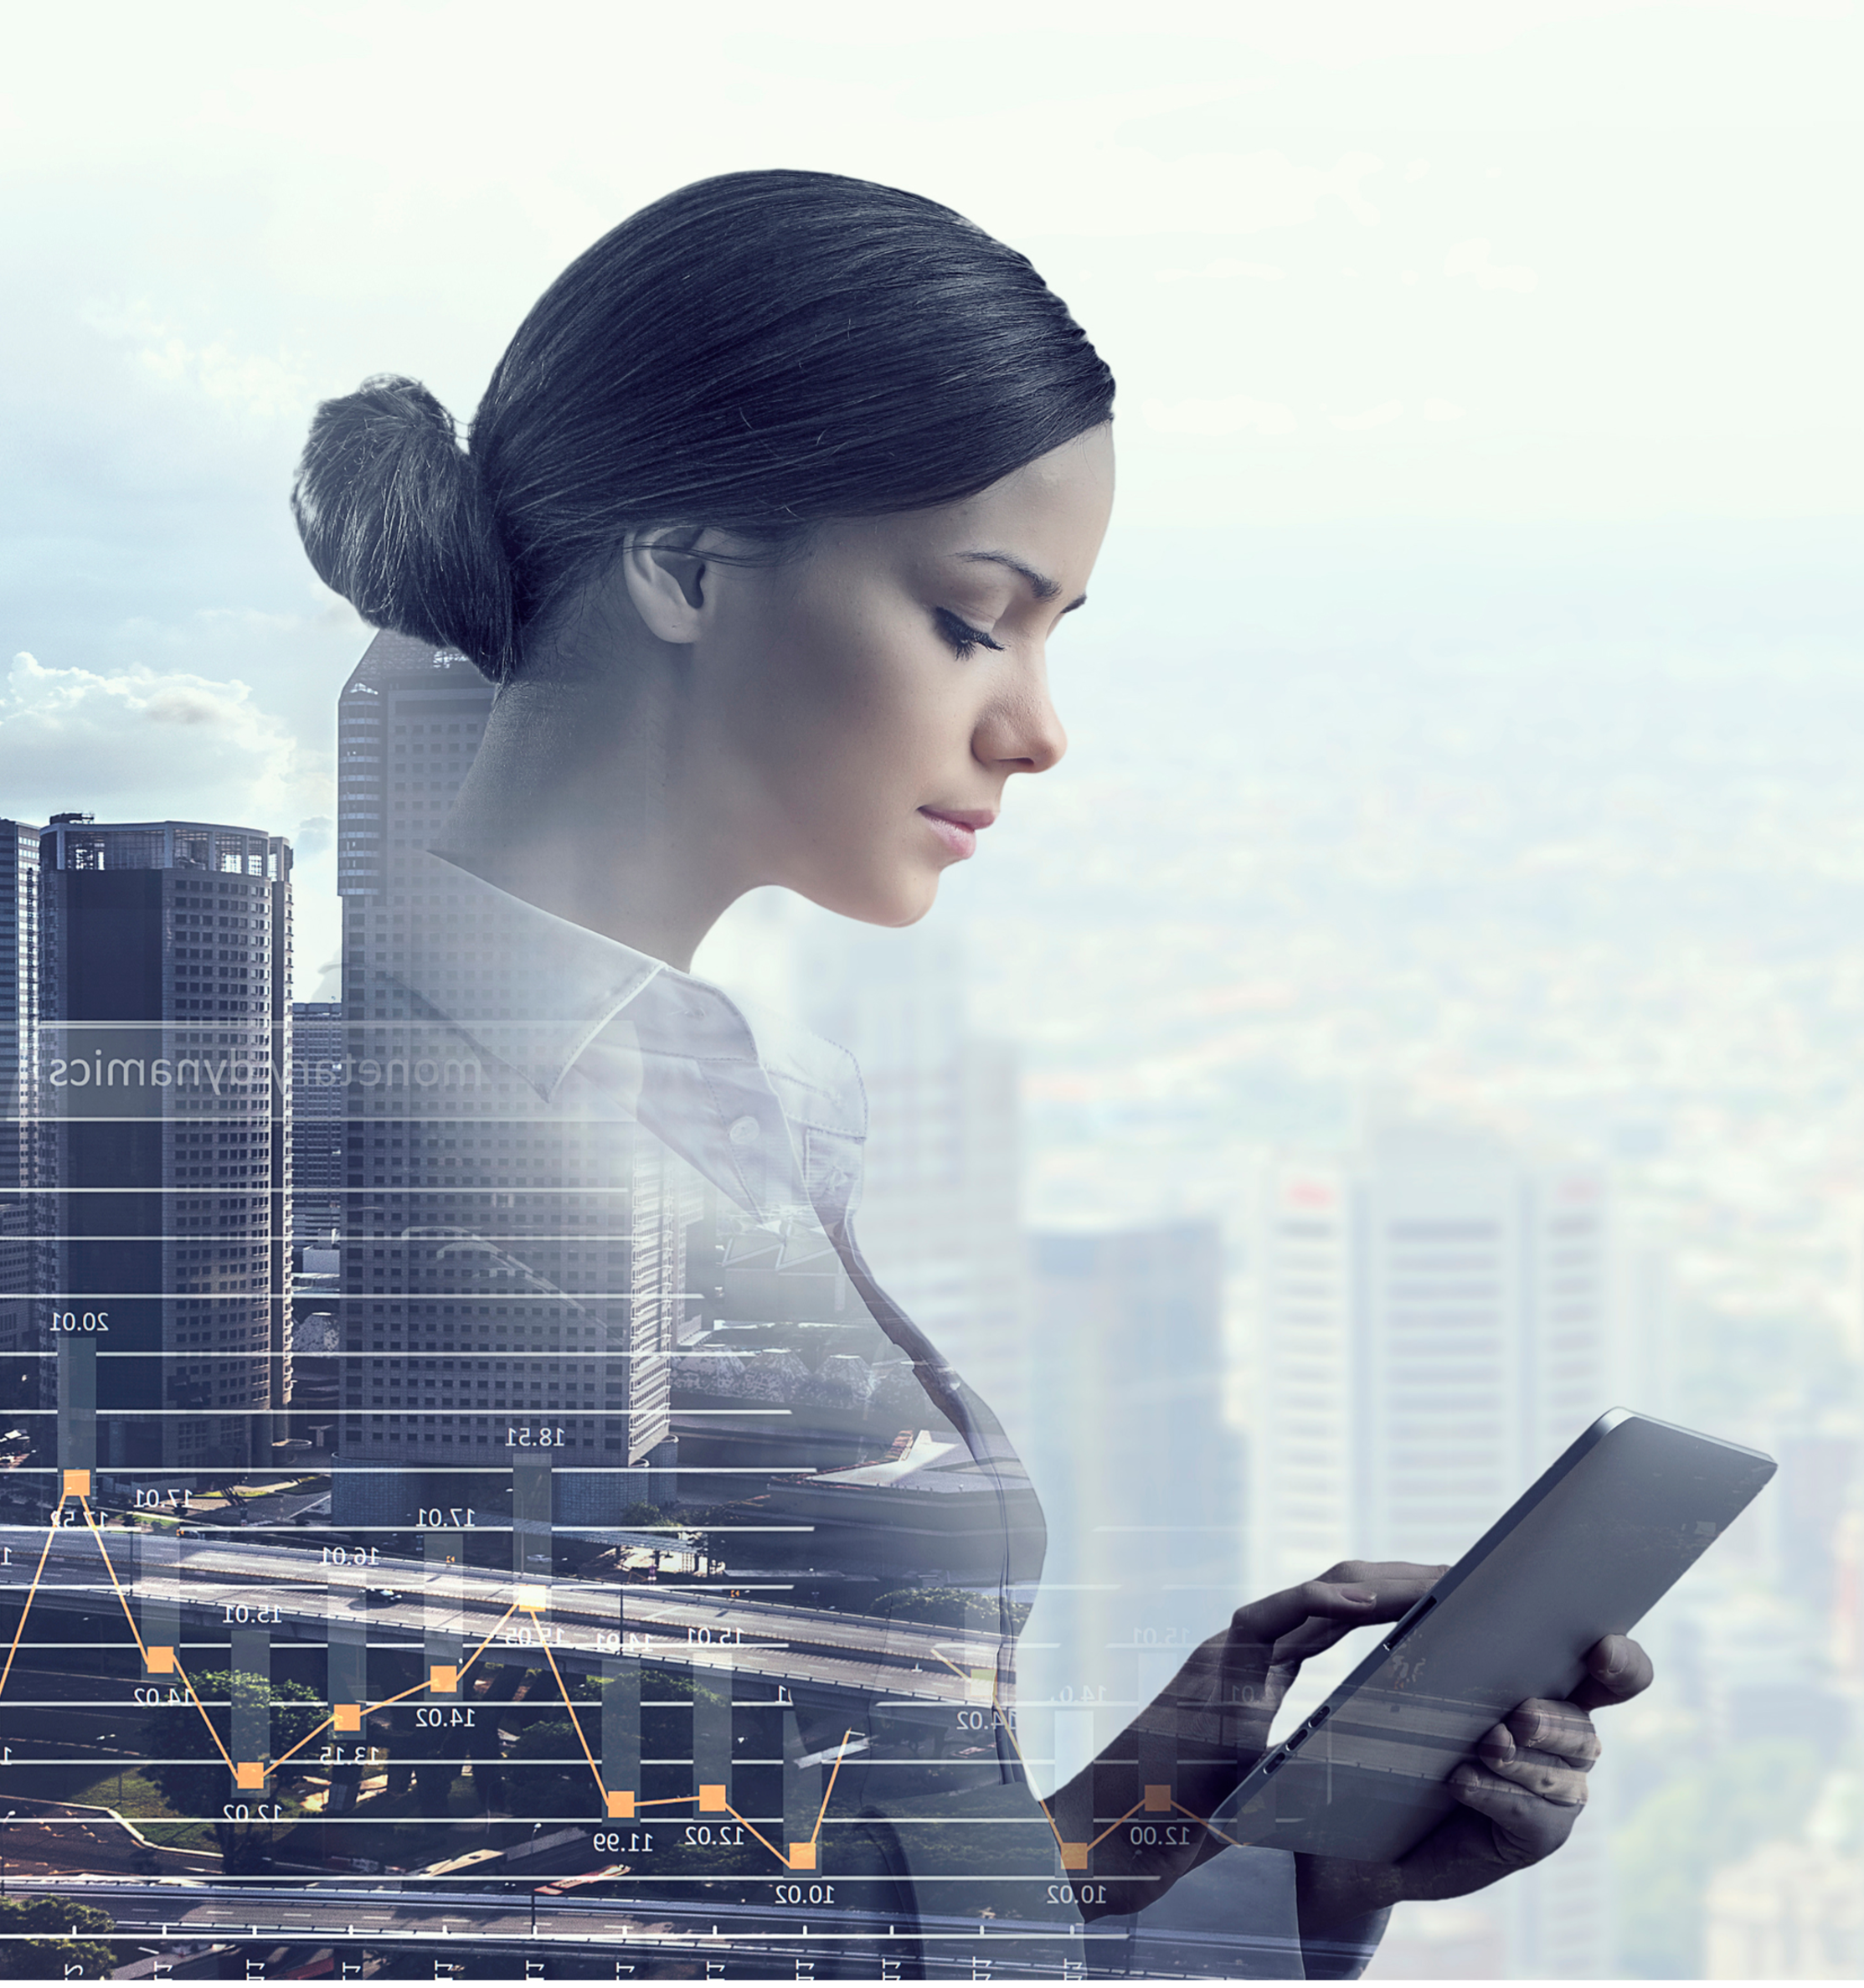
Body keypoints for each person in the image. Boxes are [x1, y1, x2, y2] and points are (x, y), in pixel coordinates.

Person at [292, 167, 1649, 1979]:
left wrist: (1277, 1828)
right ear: (690, 567)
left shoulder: (731, 1109)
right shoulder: (336, 1173)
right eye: (972, 615)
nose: (1039, 727)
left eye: (1054, 630)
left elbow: (828, 1918)